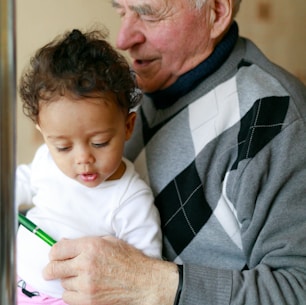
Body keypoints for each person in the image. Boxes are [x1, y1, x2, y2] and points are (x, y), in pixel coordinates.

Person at [43, 0, 306, 304]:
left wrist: (154, 284)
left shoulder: (278, 121)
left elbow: (298, 287)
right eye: (122, 11)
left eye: (147, 14)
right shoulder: (120, 91)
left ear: (216, 12)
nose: (123, 39)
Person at [15, 28, 162, 305]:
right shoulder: (46, 161)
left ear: (127, 126)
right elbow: (20, 182)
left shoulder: (130, 199)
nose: (82, 159)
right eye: (63, 147)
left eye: (100, 142)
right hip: (15, 275)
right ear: (44, 133)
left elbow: (144, 273)